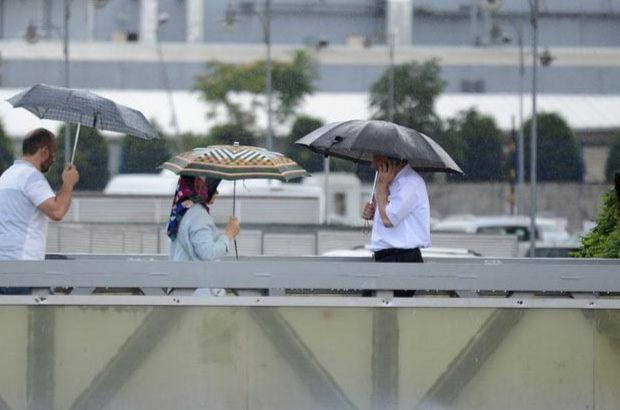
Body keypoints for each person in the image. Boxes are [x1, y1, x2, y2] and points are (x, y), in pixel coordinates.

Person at [0, 128, 79, 294]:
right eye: (53, 154)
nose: (54, 159)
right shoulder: (31, 177)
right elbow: (57, 211)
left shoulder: (7, 176)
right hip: (23, 271)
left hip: (5, 269)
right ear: (44, 151)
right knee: (44, 318)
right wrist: (68, 183)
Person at [362, 155, 430, 295]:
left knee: (375, 309)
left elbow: (388, 220)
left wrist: (381, 188)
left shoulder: (411, 183)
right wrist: (373, 212)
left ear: (389, 159)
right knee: (376, 310)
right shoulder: (391, 182)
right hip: (390, 257)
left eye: (376, 159)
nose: (372, 164)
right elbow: (387, 216)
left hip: (401, 257)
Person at [168, 175, 240, 261]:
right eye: (213, 187)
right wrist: (228, 235)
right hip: (196, 273)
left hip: (181, 272)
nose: (217, 192)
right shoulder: (198, 216)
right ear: (202, 187)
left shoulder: (182, 210)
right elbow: (208, 253)